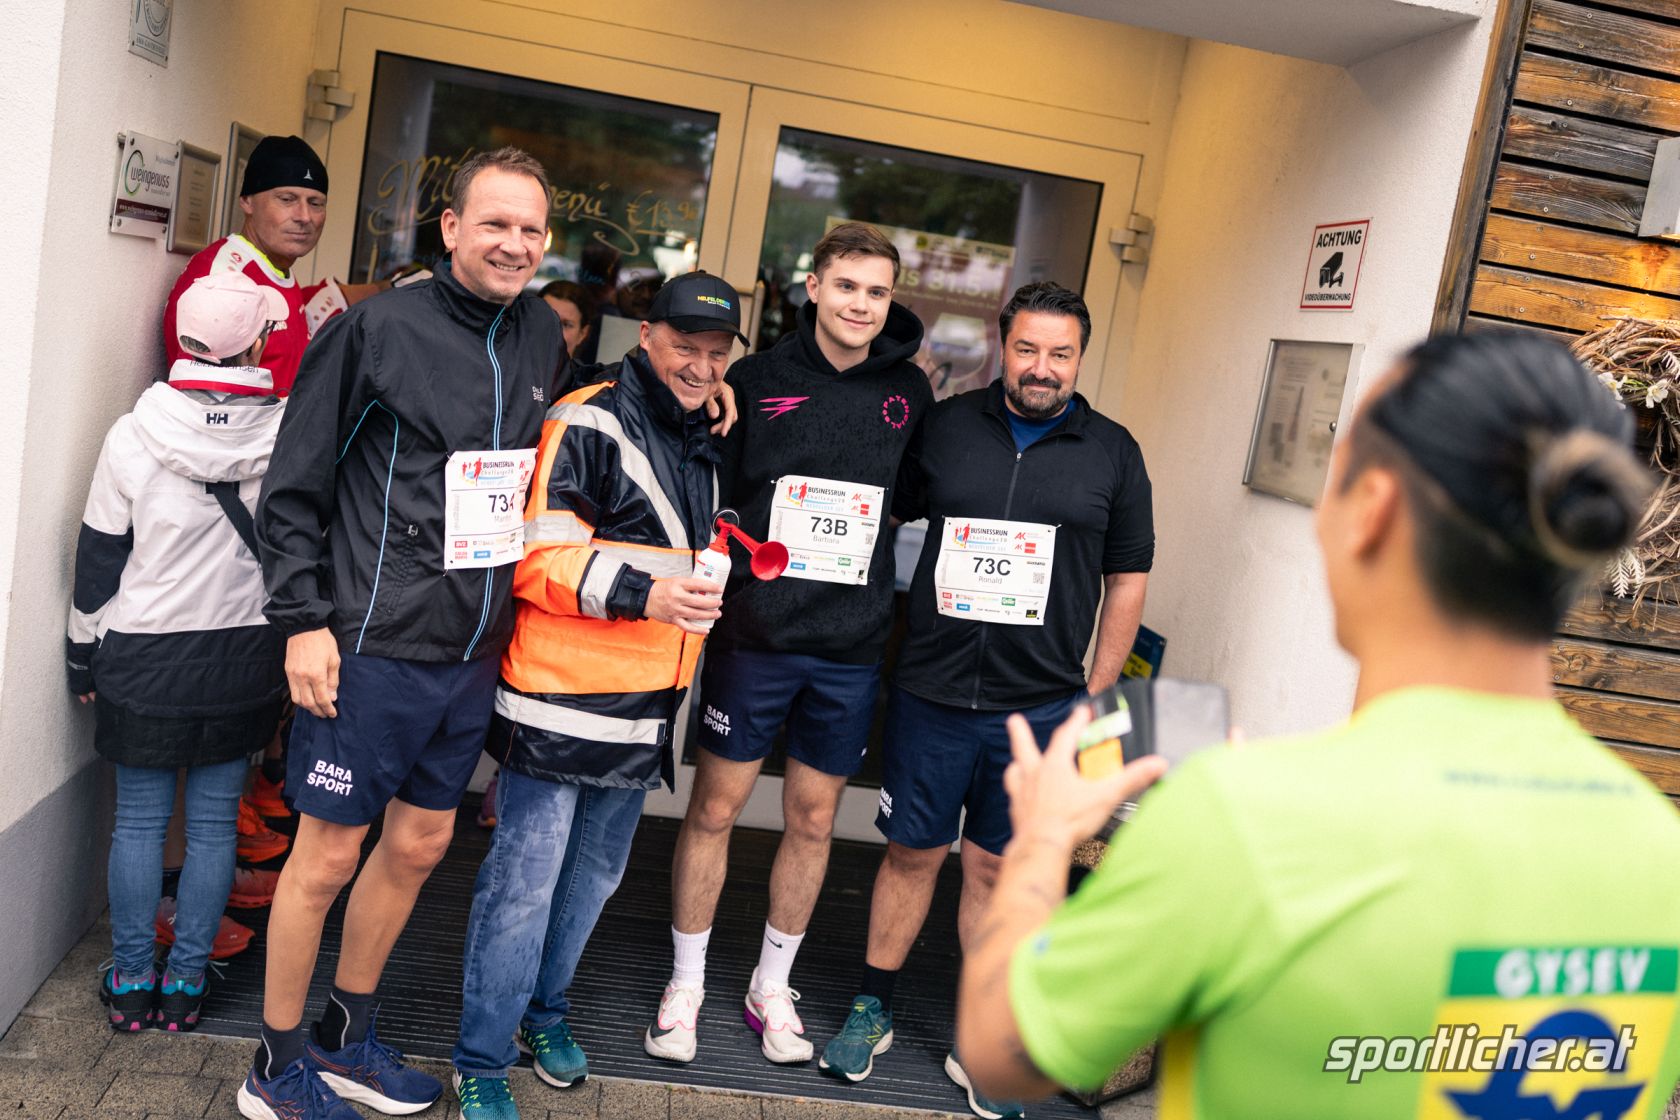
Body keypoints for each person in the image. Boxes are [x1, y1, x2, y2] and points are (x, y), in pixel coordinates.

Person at [958, 331, 1680, 1118]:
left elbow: (1002, 1052)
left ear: (1372, 512)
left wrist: (1041, 842)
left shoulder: (1242, 820)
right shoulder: (1660, 850)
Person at [240, 147, 566, 1120]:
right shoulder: (377, 329)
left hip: (471, 650)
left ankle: (346, 1039)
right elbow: (292, 486)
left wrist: (701, 400)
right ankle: (274, 1067)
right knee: (328, 856)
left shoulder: (539, 331)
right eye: (495, 223)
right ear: (452, 228)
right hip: (370, 642)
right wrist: (303, 622)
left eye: (531, 229)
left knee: (421, 842)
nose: (513, 243)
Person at [817, 281, 1151, 1115]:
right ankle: (872, 1005)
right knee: (911, 853)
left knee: (996, 867)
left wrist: (1094, 697)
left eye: (1061, 353)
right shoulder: (947, 425)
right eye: (1028, 349)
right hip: (931, 689)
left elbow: (1128, 579)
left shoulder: (1114, 452)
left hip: (1038, 708)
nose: (1042, 367)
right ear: (1004, 346)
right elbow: (879, 512)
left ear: (1081, 357)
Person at [449, 272, 747, 1119]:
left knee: (592, 882)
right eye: (684, 346)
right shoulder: (588, 419)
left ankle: (543, 1013)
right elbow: (538, 560)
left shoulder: (701, 430)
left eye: (716, 354)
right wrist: (649, 595)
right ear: (644, 336)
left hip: (645, 707)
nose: (700, 366)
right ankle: (480, 1059)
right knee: (523, 888)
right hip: (557, 703)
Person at [649, 222, 930, 1067]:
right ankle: (686, 983)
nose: (860, 305)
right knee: (716, 809)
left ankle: (771, 987)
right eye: (846, 286)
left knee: (813, 819)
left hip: (850, 647)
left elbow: (911, 498)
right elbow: (713, 489)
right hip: (756, 639)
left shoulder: (909, 392)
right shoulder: (753, 379)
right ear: (814, 287)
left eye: (876, 292)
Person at [69, 271, 290, 1033]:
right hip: (244, 653)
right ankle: (188, 984)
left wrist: (81, 653)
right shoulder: (287, 432)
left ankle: (133, 981)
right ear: (256, 345)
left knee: (138, 823)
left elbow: (99, 556)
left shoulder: (135, 431)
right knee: (215, 825)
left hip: (144, 654)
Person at [162, 135, 383, 398]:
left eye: (315, 203)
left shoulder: (278, 269)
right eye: (287, 199)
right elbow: (207, 403)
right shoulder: (223, 278)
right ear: (247, 201)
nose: (304, 216)